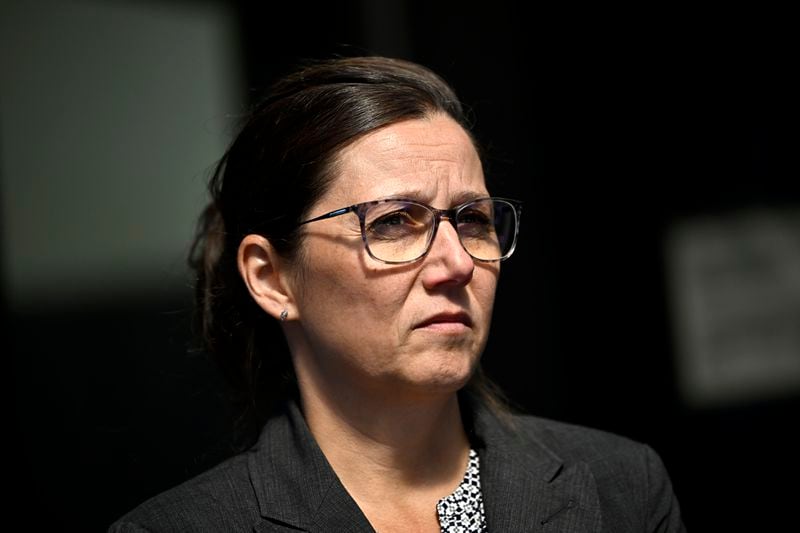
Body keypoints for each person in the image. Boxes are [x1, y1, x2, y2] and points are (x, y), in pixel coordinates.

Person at [109, 55, 686, 532]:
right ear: (271, 277)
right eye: (391, 222)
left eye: (473, 220)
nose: (456, 263)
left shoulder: (621, 489)